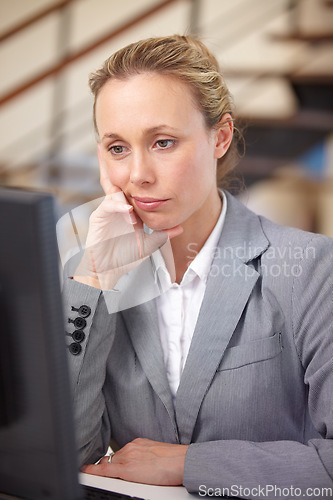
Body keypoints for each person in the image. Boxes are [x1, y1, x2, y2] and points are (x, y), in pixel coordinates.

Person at [62, 35, 333, 497]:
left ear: (220, 137)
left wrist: (192, 463)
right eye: (117, 148)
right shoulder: (91, 281)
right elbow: (72, 452)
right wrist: (95, 278)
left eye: (163, 142)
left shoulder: (310, 269)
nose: (138, 175)